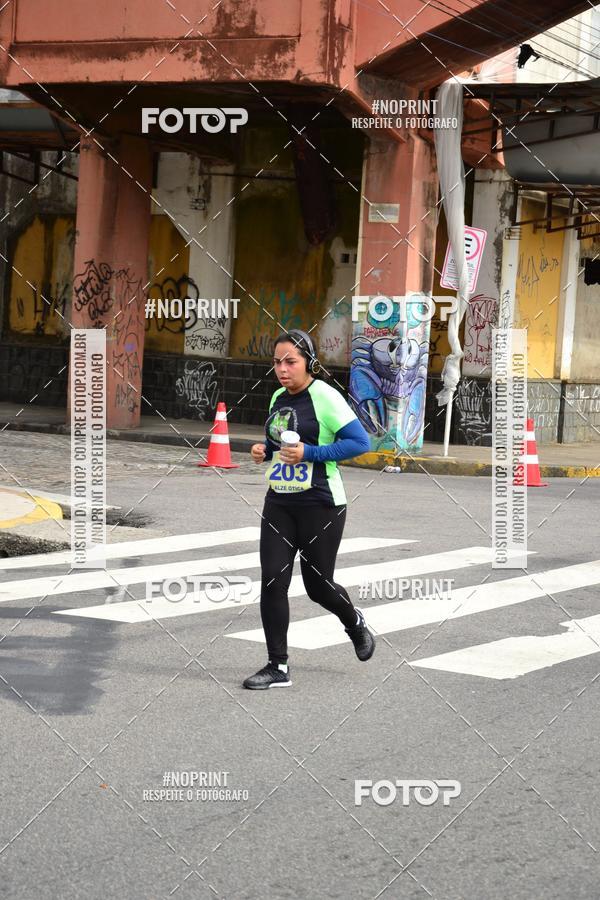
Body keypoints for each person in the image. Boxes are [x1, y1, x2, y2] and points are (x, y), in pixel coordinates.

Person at [244, 329, 375, 690]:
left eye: (291, 362)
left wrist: (311, 454)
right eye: (277, 363)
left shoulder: (325, 397)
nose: (282, 369)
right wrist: (264, 453)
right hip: (280, 501)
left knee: (318, 587)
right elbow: (280, 445)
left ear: (309, 363)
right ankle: (278, 666)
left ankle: (354, 622)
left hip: (321, 504)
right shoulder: (276, 397)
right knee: (273, 580)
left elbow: (360, 442)